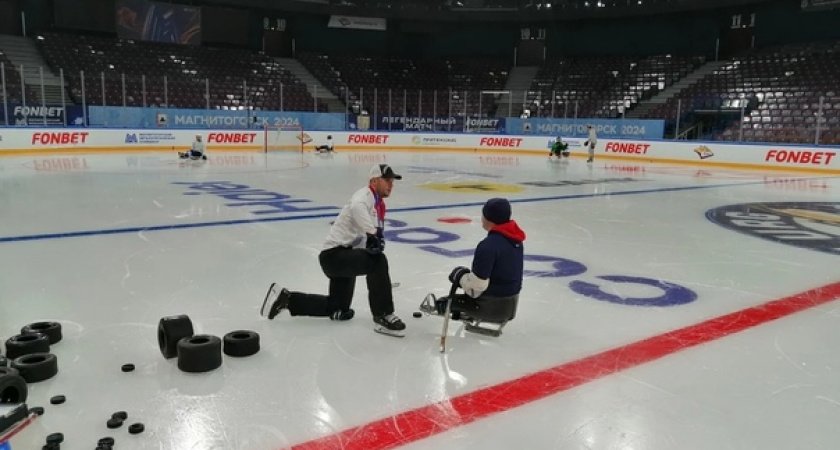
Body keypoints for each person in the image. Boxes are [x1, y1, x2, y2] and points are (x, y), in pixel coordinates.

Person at [260, 164, 407, 337]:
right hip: (334, 256)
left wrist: (371, 241)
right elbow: (356, 207)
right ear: (374, 181)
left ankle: (287, 299)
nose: (391, 184)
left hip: (345, 257)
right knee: (378, 261)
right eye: (387, 180)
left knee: (337, 307)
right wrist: (373, 233)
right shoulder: (364, 196)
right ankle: (383, 314)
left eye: (392, 181)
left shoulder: (377, 205)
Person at [421, 198, 526, 327]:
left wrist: (459, 277)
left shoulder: (488, 246)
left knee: (446, 299)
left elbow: (477, 286)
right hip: (510, 306)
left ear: (488, 218)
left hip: (488, 307)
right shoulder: (516, 241)